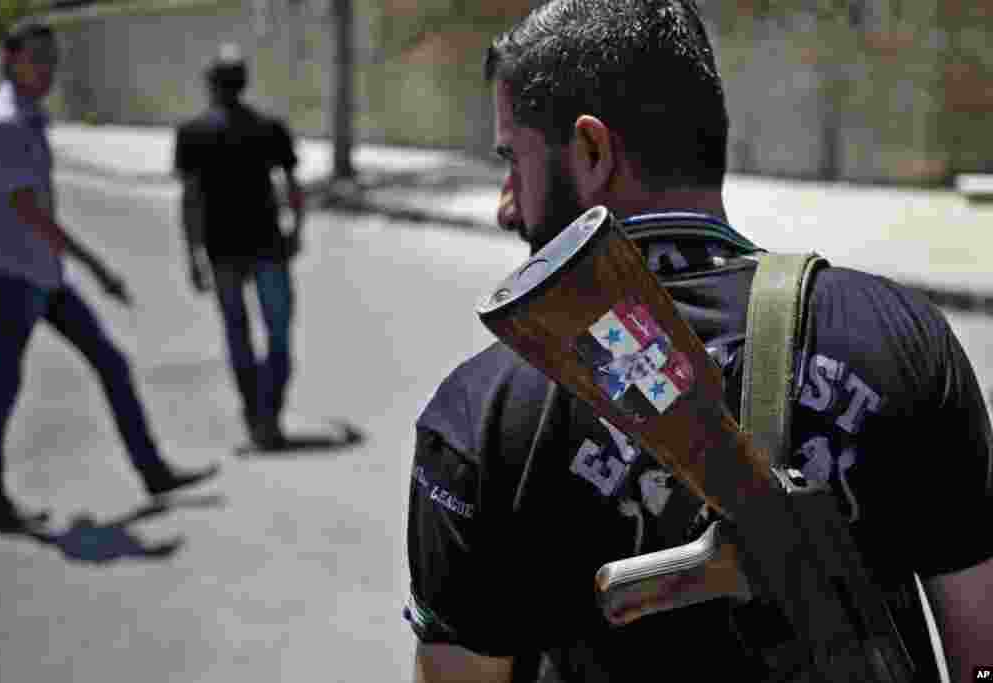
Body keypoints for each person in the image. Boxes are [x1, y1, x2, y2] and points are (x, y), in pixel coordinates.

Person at [404, 1, 993, 681]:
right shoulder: (903, 339)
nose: (506, 203)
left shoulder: (482, 410)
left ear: (592, 151)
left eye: (515, 160)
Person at [0, 21, 219, 534]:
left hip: (44, 276)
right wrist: (97, 266)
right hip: (17, 280)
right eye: (37, 58)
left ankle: (152, 472)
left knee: (110, 364)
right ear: (10, 59)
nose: (49, 69)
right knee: (2, 388)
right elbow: (30, 214)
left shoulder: (24, 118)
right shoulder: (2, 124)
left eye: (52, 58)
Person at [173, 44, 305, 449]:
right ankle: (271, 413)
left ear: (211, 86)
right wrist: (297, 230)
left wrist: (193, 254)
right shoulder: (269, 128)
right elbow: (293, 189)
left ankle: (255, 418)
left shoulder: (192, 133)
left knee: (238, 334)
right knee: (278, 332)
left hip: (222, 251)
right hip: (268, 246)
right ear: (243, 83)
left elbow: (191, 199)